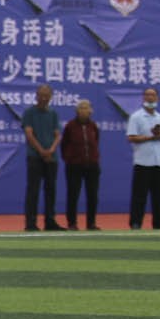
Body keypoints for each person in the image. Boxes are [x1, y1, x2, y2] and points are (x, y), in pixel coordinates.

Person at [126, 87, 160, 230]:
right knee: (140, 195)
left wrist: (159, 135)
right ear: (143, 98)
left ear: (157, 98)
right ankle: (136, 222)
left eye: (153, 95)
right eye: (147, 95)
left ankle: (159, 222)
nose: (150, 98)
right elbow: (131, 137)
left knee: (157, 196)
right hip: (142, 161)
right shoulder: (136, 116)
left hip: (158, 161)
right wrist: (149, 137)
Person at [21, 84, 63, 232]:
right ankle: (31, 222)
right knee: (33, 190)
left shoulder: (53, 114)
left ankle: (50, 221)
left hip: (52, 158)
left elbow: (58, 135)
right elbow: (29, 134)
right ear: (36, 96)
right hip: (34, 157)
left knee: (50, 189)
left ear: (51, 97)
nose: (44, 98)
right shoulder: (29, 113)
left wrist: (51, 150)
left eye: (47, 95)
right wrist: (42, 151)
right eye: (41, 95)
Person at [61, 98, 102, 231]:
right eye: (81, 108)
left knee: (92, 195)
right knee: (73, 194)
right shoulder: (70, 126)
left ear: (90, 111)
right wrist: (69, 159)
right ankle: (72, 223)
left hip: (92, 165)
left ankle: (91, 223)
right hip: (74, 165)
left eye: (86, 108)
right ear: (77, 111)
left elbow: (96, 140)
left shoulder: (93, 126)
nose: (84, 110)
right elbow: (64, 144)